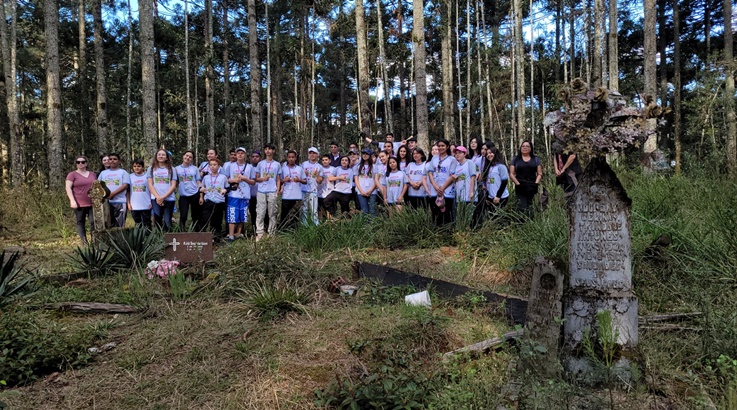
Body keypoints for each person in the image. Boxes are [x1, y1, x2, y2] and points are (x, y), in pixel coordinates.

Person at [472, 146, 510, 229]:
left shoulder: (501, 166)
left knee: (500, 219)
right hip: (490, 197)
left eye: (490, 153)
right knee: (492, 218)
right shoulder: (489, 166)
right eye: (487, 154)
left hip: (500, 197)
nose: (488, 155)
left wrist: (498, 196)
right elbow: (488, 183)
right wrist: (487, 197)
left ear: (496, 153)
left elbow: (504, 182)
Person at [225, 147, 255, 241]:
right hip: (233, 194)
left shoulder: (250, 167)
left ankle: (238, 233)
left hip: (245, 194)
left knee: (242, 215)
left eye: (242, 153)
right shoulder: (230, 166)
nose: (240, 155)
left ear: (245, 155)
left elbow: (253, 182)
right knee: (232, 214)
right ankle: (230, 235)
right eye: (238, 153)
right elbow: (226, 179)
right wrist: (235, 180)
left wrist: (245, 178)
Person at [66, 156, 97, 245]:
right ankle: (84, 242)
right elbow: (68, 188)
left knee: (93, 222)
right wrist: (72, 200)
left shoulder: (92, 174)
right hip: (79, 203)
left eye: (83, 162)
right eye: (78, 162)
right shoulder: (72, 175)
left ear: (86, 163)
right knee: (80, 222)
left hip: (92, 202)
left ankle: (94, 240)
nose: (80, 164)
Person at [427, 139, 458, 225]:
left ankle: (447, 235)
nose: (441, 148)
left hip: (447, 191)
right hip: (435, 190)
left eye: (443, 146)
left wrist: (442, 188)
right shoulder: (434, 158)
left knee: (447, 215)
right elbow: (430, 173)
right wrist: (435, 186)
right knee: (435, 215)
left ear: (447, 146)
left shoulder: (452, 159)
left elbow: (452, 175)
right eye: (439, 146)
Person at [254, 143, 281, 240]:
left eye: (270, 149)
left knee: (272, 213)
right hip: (261, 191)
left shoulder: (277, 164)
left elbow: (278, 179)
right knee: (260, 213)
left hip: (272, 191)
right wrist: (263, 179)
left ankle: (271, 233)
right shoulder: (260, 164)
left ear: (273, 151)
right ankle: (260, 233)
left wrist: (277, 190)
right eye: (266, 149)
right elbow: (256, 179)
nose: (268, 151)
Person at [510, 140, 542, 218]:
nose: (525, 148)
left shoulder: (536, 159)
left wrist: (536, 183)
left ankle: (531, 224)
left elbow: (540, 173)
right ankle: (522, 224)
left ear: (531, 148)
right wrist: (517, 184)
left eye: (527, 146)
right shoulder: (515, 159)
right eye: (523, 146)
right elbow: (511, 173)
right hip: (520, 186)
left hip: (532, 186)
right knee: (521, 207)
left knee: (531, 207)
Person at [147, 149, 178, 231]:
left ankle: (169, 241)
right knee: (157, 220)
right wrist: (158, 197)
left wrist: (163, 197)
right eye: (159, 154)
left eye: (163, 155)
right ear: (156, 157)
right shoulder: (151, 169)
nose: (161, 156)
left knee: (168, 221)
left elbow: (173, 185)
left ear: (167, 157)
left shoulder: (172, 169)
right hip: (155, 199)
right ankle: (158, 240)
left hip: (169, 198)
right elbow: (150, 184)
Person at [98, 153, 130, 227]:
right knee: (108, 224)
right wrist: (105, 195)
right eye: (110, 159)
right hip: (106, 202)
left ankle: (119, 238)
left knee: (119, 225)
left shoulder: (123, 172)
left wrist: (112, 194)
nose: (112, 161)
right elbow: (98, 185)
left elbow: (125, 185)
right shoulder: (103, 173)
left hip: (120, 201)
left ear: (119, 161)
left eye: (115, 159)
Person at [199, 158, 228, 237]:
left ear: (219, 166)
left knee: (217, 221)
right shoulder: (206, 177)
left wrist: (225, 190)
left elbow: (227, 187)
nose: (212, 167)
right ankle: (203, 237)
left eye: (215, 165)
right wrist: (201, 193)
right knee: (205, 219)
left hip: (219, 202)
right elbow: (201, 188)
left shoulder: (223, 177)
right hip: (209, 201)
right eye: (211, 165)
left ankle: (216, 238)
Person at [279, 150, 307, 231]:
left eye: (293, 157)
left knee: (295, 214)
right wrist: (284, 180)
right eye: (289, 157)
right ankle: (283, 230)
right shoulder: (283, 169)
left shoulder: (300, 169)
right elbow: (279, 181)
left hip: (297, 195)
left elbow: (305, 181)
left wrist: (299, 180)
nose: (291, 159)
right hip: (286, 195)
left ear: (295, 158)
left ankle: (295, 230)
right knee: (284, 214)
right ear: (287, 158)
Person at [175, 150, 202, 231]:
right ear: (183, 156)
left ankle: (196, 232)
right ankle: (182, 232)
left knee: (195, 215)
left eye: (190, 157)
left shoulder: (195, 168)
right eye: (186, 155)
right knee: (183, 215)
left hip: (194, 194)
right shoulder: (176, 169)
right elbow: (175, 182)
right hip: (183, 195)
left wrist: (200, 194)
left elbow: (198, 181)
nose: (188, 158)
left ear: (192, 160)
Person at [452, 146, 477, 222]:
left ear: (465, 153)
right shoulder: (456, 166)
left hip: (469, 195)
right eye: (456, 153)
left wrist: (471, 192)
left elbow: (473, 177)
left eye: (460, 153)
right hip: (460, 196)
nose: (457, 155)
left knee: (470, 218)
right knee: (461, 218)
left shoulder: (470, 162)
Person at [127, 158, 152, 230]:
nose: (136, 168)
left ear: (143, 167)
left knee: (147, 223)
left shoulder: (147, 176)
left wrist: (151, 202)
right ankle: (140, 239)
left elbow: (151, 189)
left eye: (138, 166)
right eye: (134, 166)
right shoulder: (130, 176)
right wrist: (128, 203)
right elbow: (128, 191)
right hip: (134, 205)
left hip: (146, 204)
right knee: (137, 223)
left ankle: (148, 238)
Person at [302, 147, 323, 225]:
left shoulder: (319, 167)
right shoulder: (303, 164)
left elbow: (320, 181)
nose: (312, 155)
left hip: (313, 191)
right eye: (310, 153)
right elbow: (300, 177)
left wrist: (317, 175)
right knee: (304, 210)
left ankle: (315, 226)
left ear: (317, 155)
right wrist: (304, 173)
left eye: (314, 153)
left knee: (314, 210)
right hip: (303, 190)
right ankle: (304, 226)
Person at [354, 148, 377, 215]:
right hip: (361, 191)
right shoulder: (358, 166)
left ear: (370, 155)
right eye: (363, 153)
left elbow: (376, 180)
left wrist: (370, 190)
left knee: (372, 211)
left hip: (372, 192)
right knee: (364, 210)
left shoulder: (374, 166)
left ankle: (372, 225)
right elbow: (356, 180)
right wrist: (361, 191)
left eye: (366, 154)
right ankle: (364, 225)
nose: (365, 155)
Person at [248, 150, 265, 234]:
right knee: (253, 213)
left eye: (257, 156)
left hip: (262, 194)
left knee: (263, 212)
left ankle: (264, 229)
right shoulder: (248, 167)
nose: (255, 158)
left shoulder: (263, 166)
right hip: (251, 195)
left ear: (260, 158)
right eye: (253, 156)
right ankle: (255, 230)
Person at [317, 154, 335, 219]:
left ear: (330, 161)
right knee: (319, 209)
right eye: (323, 160)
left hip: (330, 191)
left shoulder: (334, 169)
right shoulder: (319, 168)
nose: (324, 161)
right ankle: (319, 222)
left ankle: (330, 222)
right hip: (320, 192)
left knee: (329, 209)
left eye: (326, 160)